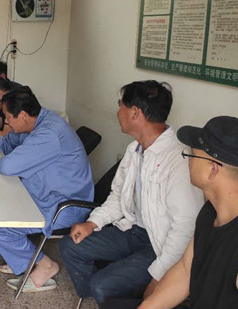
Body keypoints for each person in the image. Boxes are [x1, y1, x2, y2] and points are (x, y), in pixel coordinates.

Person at [60, 81, 204, 306]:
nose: (118, 112)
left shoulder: (178, 159)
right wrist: (93, 223)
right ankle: (103, 300)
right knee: (71, 246)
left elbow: (185, 228)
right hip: (132, 231)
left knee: (103, 285)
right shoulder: (135, 149)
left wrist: (160, 276)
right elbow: (119, 196)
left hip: (159, 245)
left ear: (134, 112)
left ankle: (117, 295)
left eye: (120, 105)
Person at [104, 116, 238, 309]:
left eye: (191, 155)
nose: (187, 161)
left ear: (213, 170)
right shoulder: (212, 210)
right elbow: (186, 269)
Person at [0, 87, 94, 292]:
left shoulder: (48, 133)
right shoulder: (36, 122)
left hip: (64, 206)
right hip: (46, 193)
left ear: (23, 115)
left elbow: (8, 166)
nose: (7, 122)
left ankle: (44, 265)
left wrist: (6, 155)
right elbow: (9, 141)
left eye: (8, 117)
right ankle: (24, 259)